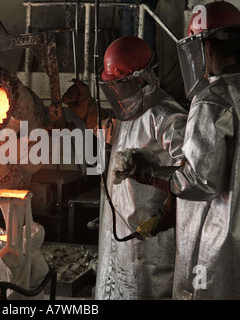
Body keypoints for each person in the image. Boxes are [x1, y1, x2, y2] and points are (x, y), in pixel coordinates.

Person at [116, 2, 240, 299]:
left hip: (216, 245)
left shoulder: (212, 99)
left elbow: (200, 181)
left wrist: (149, 172)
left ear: (205, 48)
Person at [62, 36, 187, 299]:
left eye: (120, 85)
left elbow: (192, 173)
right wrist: (88, 114)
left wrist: (166, 215)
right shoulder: (130, 110)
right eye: (112, 87)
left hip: (150, 244)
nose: (116, 93)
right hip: (121, 236)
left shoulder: (165, 116)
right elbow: (119, 136)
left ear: (139, 79)